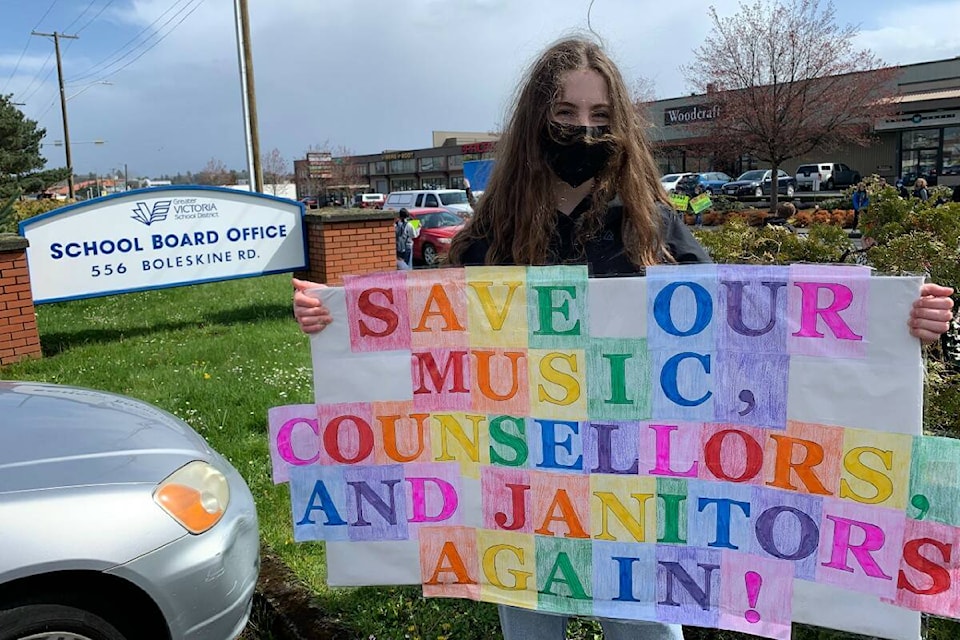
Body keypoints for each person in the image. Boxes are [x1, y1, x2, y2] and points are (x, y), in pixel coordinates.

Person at [292, 35, 955, 640]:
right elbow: (426, 340)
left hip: (635, 501)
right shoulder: (491, 232)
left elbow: (750, 329)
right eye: (566, 115)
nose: (583, 131)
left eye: (600, 119)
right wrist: (336, 323)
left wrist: (892, 323)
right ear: (535, 123)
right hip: (520, 493)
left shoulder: (649, 224)